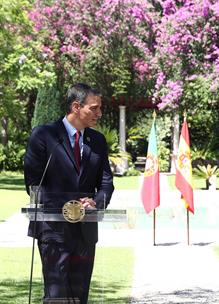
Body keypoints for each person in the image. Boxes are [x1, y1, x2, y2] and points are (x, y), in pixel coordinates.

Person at [24, 83, 114, 304]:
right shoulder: (44, 135)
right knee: (56, 297)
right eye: (94, 108)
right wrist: (71, 203)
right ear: (76, 107)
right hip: (53, 231)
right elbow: (34, 184)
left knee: (79, 297)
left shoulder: (98, 141)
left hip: (86, 232)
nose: (99, 113)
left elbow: (106, 183)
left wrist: (96, 202)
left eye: (99, 108)